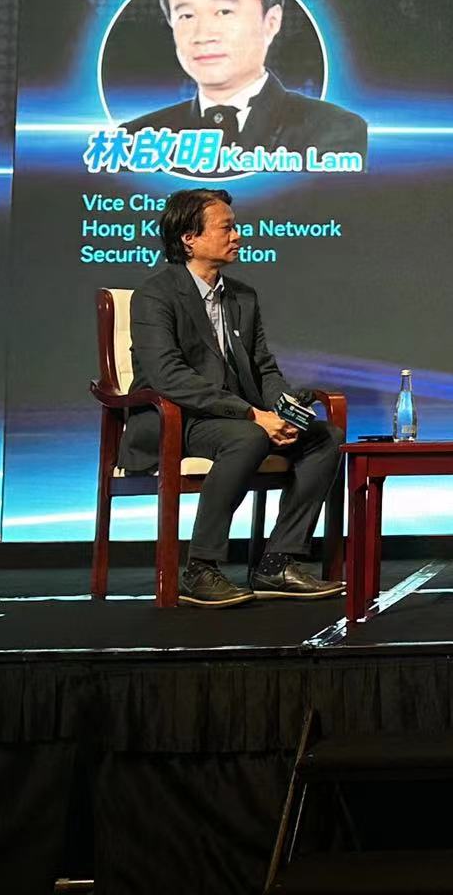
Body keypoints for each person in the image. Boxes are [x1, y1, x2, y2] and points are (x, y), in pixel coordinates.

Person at [120, 188, 345, 607]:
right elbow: (169, 377)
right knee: (248, 437)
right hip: (174, 419)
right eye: (226, 228)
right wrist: (253, 416)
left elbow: (263, 368)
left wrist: (283, 411)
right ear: (189, 238)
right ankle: (200, 568)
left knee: (324, 437)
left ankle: (278, 562)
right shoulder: (155, 295)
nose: (237, 235)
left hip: (237, 419)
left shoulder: (242, 296)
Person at [122, 0, 367, 168]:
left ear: (271, 22)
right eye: (186, 15)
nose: (203, 35)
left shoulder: (332, 131)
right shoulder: (133, 141)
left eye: (224, 12)